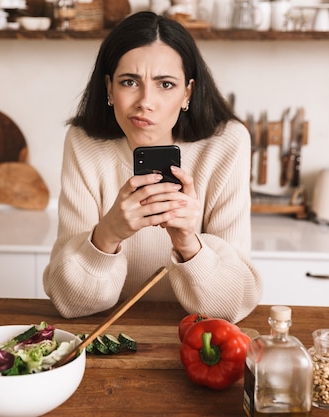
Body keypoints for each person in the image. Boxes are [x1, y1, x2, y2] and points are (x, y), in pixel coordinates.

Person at [43, 11, 262, 322]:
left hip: (194, 338)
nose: (145, 101)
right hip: (107, 334)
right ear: (108, 88)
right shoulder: (84, 143)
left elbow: (231, 306)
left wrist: (188, 241)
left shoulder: (226, 144)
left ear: (188, 92)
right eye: (129, 82)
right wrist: (108, 233)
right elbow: (70, 303)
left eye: (166, 84)